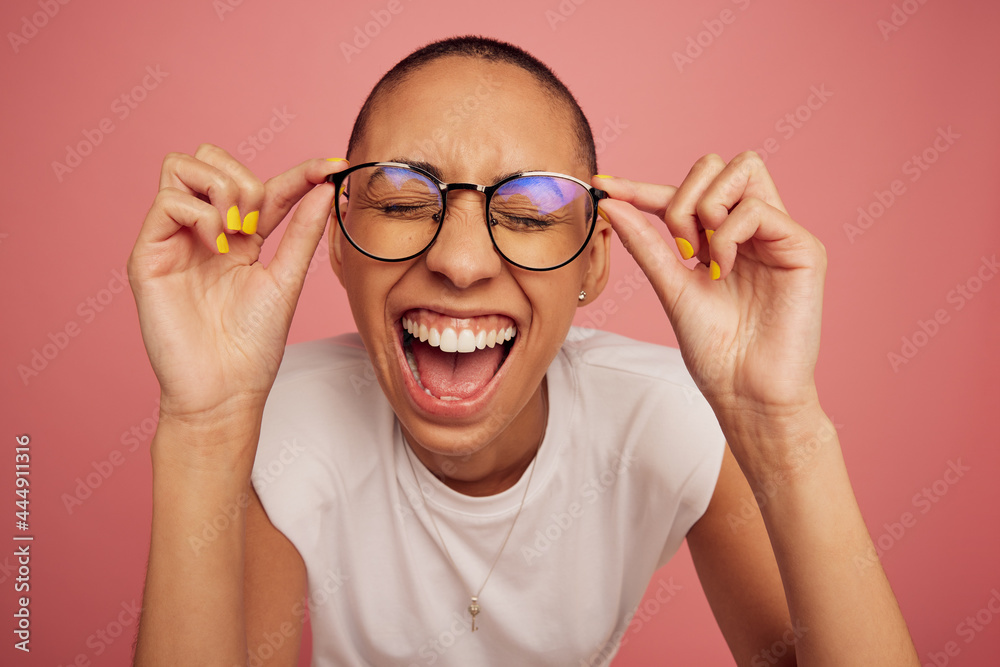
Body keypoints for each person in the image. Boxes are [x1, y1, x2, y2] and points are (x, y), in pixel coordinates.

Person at [129, 36, 919, 666]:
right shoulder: (282, 420)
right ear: (337, 241)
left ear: (595, 259)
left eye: (533, 213)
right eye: (403, 198)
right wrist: (204, 427)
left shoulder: (666, 416)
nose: (462, 261)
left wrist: (779, 420)